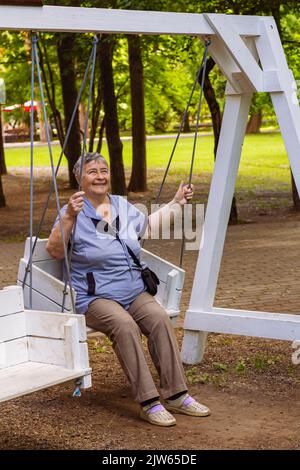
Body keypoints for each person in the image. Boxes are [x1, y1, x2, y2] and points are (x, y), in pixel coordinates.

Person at [47, 152, 210, 427]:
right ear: (79, 178)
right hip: (95, 296)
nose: (100, 176)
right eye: (92, 172)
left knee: (159, 319)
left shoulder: (121, 205)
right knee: (124, 325)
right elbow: (53, 250)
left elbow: (147, 227)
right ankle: (149, 401)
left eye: (103, 170)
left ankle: (177, 395)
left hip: (132, 290)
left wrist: (176, 203)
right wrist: (68, 218)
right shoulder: (72, 211)